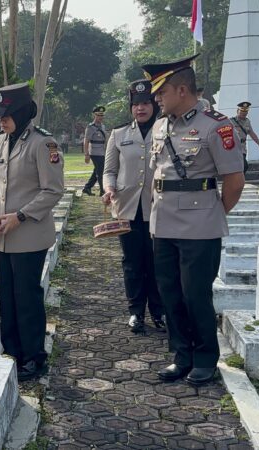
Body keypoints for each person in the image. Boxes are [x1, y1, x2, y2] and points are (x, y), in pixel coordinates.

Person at [143, 54, 245, 385]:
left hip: (200, 226)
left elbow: (234, 181)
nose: (156, 99)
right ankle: (181, 355)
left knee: (195, 294)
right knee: (169, 292)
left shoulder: (217, 125)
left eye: (161, 93)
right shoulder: (161, 125)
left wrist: (212, 214)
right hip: (163, 222)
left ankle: (204, 357)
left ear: (182, 90)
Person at [0, 83, 64, 382]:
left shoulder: (43, 144)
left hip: (29, 233)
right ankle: (12, 352)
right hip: (1, 234)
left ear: (20, 112)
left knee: (26, 296)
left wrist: (21, 215)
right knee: (6, 294)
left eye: (6, 115)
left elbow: (53, 190)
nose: (2, 121)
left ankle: (34, 356)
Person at [102, 80, 166, 334]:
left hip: (159, 208)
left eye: (145, 103)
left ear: (154, 105)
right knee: (132, 262)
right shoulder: (119, 134)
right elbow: (110, 170)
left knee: (156, 262)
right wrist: (109, 188)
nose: (141, 109)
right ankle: (136, 312)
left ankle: (158, 312)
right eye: (136, 104)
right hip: (127, 208)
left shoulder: (165, 130)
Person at [82, 106, 108, 196]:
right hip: (94, 152)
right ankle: (103, 190)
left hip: (102, 152)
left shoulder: (103, 126)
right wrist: (86, 154)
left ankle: (87, 188)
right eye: (98, 115)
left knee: (97, 171)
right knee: (100, 171)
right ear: (94, 115)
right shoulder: (90, 127)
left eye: (102, 115)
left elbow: (105, 140)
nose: (100, 117)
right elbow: (86, 141)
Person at [231, 102, 259, 174]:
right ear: (237, 111)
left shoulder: (247, 121)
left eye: (246, 112)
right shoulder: (231, 121)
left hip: (243, 148)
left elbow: (252, 133)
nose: (244, 113)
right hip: (234, 148)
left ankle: (239, 183)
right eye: (242, 111)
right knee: (244, 166)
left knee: (242, 167)